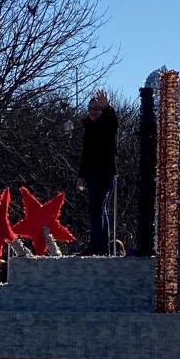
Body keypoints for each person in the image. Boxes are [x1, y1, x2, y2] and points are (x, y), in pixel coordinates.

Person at [76, 90, 118, 256]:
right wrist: (81, 176)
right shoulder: (89, 128)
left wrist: (107, 107)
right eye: (90, 108)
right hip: (92, 174)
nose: (93, 111)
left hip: (106, 172)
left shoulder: (108, 124)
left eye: (96, 108)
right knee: (100, 209)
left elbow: (113, 120)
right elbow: (86, 154)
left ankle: (95, 245)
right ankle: (103, 247)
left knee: (97, 208)